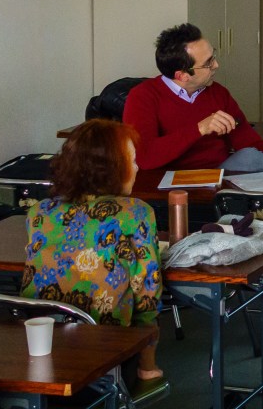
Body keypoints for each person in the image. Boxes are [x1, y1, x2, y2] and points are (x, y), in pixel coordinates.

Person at [21, 119, 164, 381]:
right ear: (110, 169)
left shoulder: (39, 213)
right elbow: (147, 296)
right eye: (132, 161)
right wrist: (147, 365)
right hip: (106, 356)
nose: (137, 167)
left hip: (40, 351)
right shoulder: (134, 213)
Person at [122, 22, 263, 173]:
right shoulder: (143, 96)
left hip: (218, 179)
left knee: (249, 156)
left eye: (214, 56)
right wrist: (200, 128)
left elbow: (248, 140)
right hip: (171, 184)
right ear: (183, 75)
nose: (216, 65)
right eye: (208, 63)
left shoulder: (218, 93)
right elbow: (145, 158)